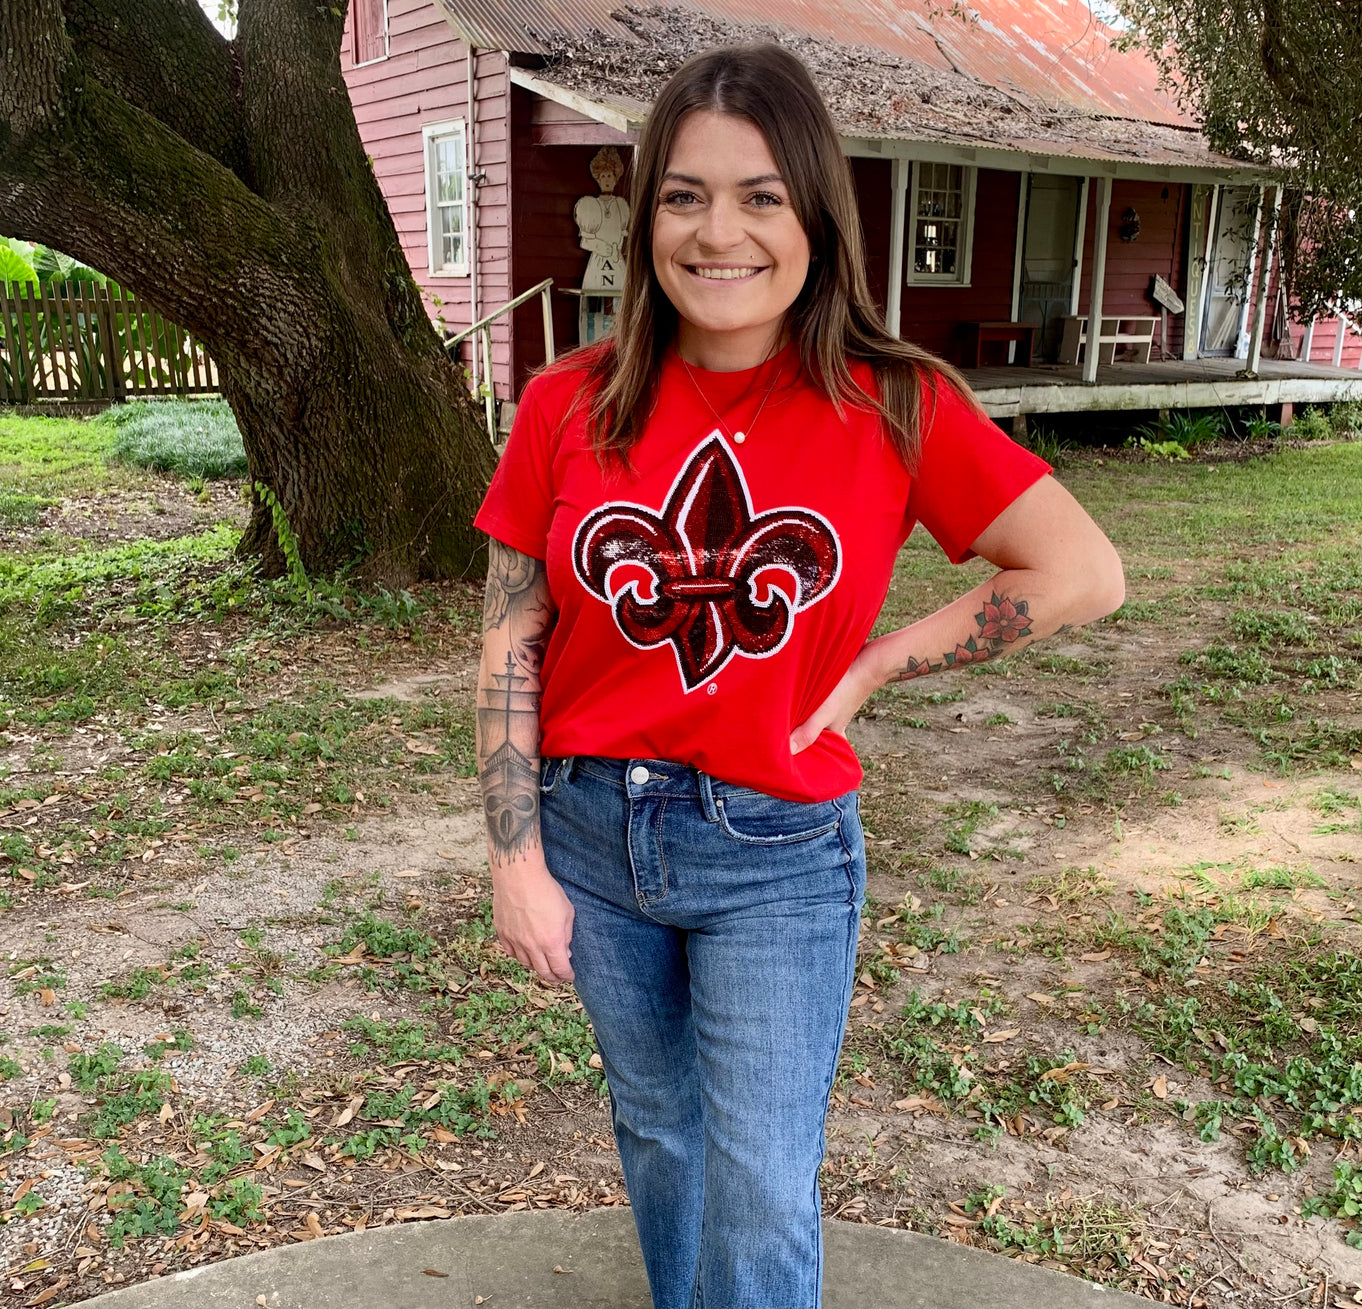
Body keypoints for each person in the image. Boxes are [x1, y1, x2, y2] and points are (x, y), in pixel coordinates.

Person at [473, 43, 1124, 1309]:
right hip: (589, 830)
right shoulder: (566, 402)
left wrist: (876, 663)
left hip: (771, 848)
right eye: (683, 195)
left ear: (816, 217)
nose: (718, 233)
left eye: (760, 196)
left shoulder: (891, 404)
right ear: (645, 217)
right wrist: (514, 859)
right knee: (659, 1134)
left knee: (763, 1180)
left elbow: (1079, 569)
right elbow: (511, 636)